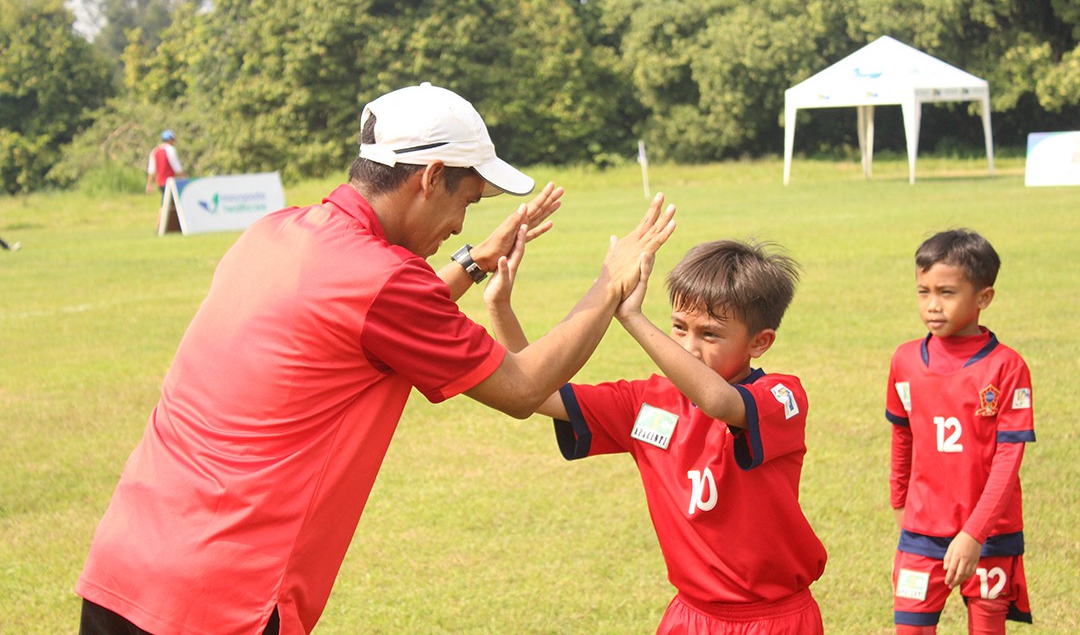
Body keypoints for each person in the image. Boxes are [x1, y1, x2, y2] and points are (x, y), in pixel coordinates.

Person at [75, 82, 676, 635]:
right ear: (431, 176)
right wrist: (610, 284)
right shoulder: (382, 282)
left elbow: (371, 323)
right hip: (224, 598)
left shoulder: (276, 232)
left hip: (127, 564)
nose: (459, 225)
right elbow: (520, 388)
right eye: (467, 201)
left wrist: (472, 262)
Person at [484, 238, 827, 634]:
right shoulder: (645, 402)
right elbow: (536, 391)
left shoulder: (781, 397)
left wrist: (632, 317)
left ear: (760, 342)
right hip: (689, 616)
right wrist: (499, 307)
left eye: (710, 335)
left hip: (772, 620)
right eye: (679, 328)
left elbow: (718, 401)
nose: (689, 348)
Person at [886, 229, 1035, 634]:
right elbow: (902, 437)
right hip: (921, 531)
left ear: (983, 298)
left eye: (947, 293)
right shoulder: (904, 361)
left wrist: (974, 533)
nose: (932, 305)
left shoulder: (1007, 368)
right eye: (923, 292)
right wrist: (900, 504)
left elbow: (1008, 461)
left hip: (990, 534)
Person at [145, 129, 183, 196]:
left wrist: (149, 183)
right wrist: (184, 178)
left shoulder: (155, 151)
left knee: (166, 200)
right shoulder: (171, 149)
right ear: (170, 140)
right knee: (173, 201)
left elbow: (151, 170)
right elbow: (177, 168)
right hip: (171, 182)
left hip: (160, 183)